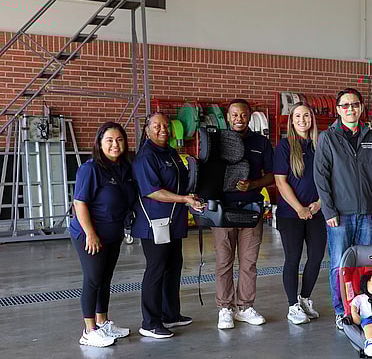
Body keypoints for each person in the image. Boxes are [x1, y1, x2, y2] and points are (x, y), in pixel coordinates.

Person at [313, 88, 372, 330]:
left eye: (355, 104)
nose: (350, 109)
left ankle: (363, 307)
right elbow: (321, 176)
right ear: (338, 110)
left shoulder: (371, 136)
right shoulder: (328, 137)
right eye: (345, 105)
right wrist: (329, 211)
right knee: (339, 264)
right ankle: (341, 310)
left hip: (368, 212)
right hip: (340, 215)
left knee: (365, 264)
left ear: (361, 107)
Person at [132, 112, 204, 339]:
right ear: (147, 130)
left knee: (173, 266)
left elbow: (179, 184)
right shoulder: (146, 157)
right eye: (157, 126)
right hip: (155, 223)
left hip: (173, 222)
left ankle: (170, 314)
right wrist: (184, 199)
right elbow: (152, 191)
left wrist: (190, 195)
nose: (163, 129)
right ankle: (151, 322)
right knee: (156, 269)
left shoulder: (170, 153)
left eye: (166, 125)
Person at [70, 122, 136, 347]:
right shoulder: (91, 169)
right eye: (109, 140)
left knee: (105, 279)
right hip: (90, 234)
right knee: (93, 278)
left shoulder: (124, 167)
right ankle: (88, 331)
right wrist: (90, 233)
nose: (115, 145)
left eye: (119, 140)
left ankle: (103, 322)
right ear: (100, 143)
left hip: (112, 233)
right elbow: (80, 203)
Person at [214, 99, 273, 329]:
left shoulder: (261, 143)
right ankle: (225, 309)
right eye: (234, 115)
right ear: (228, 117)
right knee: (224, 262)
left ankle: (245, 307)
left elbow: (272, 175)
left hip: (251, 210)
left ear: (249, 117)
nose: (239, 119)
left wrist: (254, 184)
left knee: (249, 263)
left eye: (243, 115)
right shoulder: (217, 142)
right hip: (223, 211)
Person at [273, 102, 326, 325]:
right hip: (290, 214)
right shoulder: (285, 146)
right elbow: (280, 181)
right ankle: (292, 306)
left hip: (317, 212)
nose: (302, 120)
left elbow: (330, 178)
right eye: (297, 116)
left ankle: (304, 299)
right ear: (291, 121)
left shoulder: (321, 145)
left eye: (306, 115)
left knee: (316, 258)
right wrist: (299, 208)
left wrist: (320, 203)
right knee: (293, 258)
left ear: (311, 119)